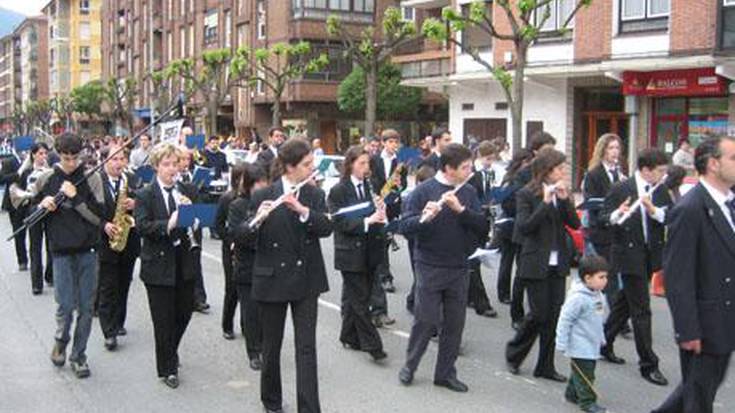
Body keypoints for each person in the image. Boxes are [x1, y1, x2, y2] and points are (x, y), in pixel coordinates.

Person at [248, 138, 332, 413]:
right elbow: (239, 234)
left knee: (306, 347)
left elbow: (326, 227)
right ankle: (271, 401)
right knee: (271, 346)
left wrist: (304, 211)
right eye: (306, 164)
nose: (311, 169)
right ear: (289, 167)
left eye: (311, 164)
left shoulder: (314, 195)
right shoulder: (263, 194)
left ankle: (309, 407)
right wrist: (256, 222)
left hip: (306, 279)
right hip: (271, 278)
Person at [652, 136, 735, 413]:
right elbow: (678, 276)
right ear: (713, 164)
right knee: (698, 399)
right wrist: (687, 329)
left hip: (725, 318)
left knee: (696, 389)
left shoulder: (728, 204)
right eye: (733, 158)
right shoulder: (690, 209)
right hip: (705, 323)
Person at [398, 143, 488, 393]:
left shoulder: (468, 192)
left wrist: (461, 211)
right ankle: (410, 365)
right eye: (466, 167)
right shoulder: (424, 190)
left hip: (459, 265)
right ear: (449, 168)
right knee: (425, 320)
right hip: (429, 264)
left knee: (454, 324)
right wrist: (425, 218)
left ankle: (445, 373)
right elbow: (404, 226)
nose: (471, 170)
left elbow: (482, 226)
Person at [506, 148, 581, 383]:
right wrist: (546, 203)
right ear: (546, 171)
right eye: (559, 169)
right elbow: (525, 227)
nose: (562, 173)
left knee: (553, 316)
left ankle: (545, 366)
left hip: (557, 264)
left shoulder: (561, 193)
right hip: (534, 261)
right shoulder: (526, 194)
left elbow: (575, 223)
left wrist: (566, 199)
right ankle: (514, 352)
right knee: (539, 314)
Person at [36, 132, 106, 379]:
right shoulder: (47, 178)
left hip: (88, 250)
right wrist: (42, 205)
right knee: (65, 305)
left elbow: (100, 217)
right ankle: (61, 339)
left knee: (86, 308)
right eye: (65, 158)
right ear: (59, 155)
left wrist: (76, 199)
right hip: (61, 251)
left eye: (74, 158)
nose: (70, 163)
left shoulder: (92, 178)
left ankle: (79, 356)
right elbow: (31, 216)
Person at [599, 148, 671, 386]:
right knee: (641, 309)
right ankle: (648, 364)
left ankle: (603, 342)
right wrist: (617, 214)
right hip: (628, 255)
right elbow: (603, 217)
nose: (663, 176)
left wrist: (654, 210)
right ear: (645, 170)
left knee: (624, 304)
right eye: (659, 171)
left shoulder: (659, 190)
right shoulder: (622, 188)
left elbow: (670, 215)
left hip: (650, 254)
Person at [134, 142, 199, 389]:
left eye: (175, 164)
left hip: (184, 262)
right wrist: (169, 224)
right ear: (156, 167)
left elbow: (202, 220)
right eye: (167, 164)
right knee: (163, 320)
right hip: (158, 265)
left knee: (184, 313)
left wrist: (194, 219)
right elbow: (142, 226)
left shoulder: (188, 190)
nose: (173, 169)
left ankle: (170, 350)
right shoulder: (144, 194)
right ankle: (168, 368)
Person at [328, 145, 388, 362]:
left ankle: (348, 336)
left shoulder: (369, 186)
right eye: (361, 163)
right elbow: (338, 221)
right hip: (349, 253)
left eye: (367, 163)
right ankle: (373, 345)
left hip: (370, 250)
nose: (366, 168)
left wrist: (380, 211)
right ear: (350, 164)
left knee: (358, 297)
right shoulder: (338, 190)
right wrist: (366, 221)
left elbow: (375, 215)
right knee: (361, 300)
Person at [509, 132, 557, 328]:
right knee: (522, 275)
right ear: (537, 151)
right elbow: (518, 199)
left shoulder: (555, 175)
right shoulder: (524, 173)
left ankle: (537, 311)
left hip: (546, 233)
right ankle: (516, 314)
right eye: (548, 151)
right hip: (526, 232)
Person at [96, 144, 141, 351]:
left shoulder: (130, 179)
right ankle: (109, 331)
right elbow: (87, 209)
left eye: (122, 159)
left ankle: (119, 322)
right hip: (106, 241)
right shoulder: (96, 182)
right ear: (104, 160)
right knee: (108, 287)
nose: (118, 163)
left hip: (127, 240)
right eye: (114, 159)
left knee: (124, 284)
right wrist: (104, 224)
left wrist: (136, 203)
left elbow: (145, 198)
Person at [227, 163, 268, 371]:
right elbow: (238, 235)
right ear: (250, 185)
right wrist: (257, 220)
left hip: (268, 266)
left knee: (265, 312)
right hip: (246, 266)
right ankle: (254, 352)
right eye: (260, 184)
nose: (264, 188)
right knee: (251, 312)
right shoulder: (238, 205)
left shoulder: (272, 202)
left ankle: (265, 345)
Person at [556, 255, 610, 413]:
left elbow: (597, 321)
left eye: (606, 276)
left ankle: (572, 393)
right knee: (587, 374)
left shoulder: (598, 294)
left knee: (579, 372)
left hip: (591, 343)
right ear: (587, 278)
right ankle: (587, 402)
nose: (605, 280)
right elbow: (565, 319)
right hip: (580, 345)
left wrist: (601, 337)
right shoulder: (578, 298)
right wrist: (561, 342)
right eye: (601, 277)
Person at [368, 129, 407, 326]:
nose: (394, 145)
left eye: (396, 142)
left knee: (387, 240)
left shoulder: (400, 164)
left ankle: (385, 275)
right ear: (383, 143)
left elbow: (404, 185)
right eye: (390, 142)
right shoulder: (373, 159)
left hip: (392, 205)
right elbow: (371, 180)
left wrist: (398, 186)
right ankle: (385, 276)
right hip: (377, 203)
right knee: (381, 242)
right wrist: (377, 196)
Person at [9, 143, 53, 294]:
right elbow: (18, 192)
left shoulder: (51, 171)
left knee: (51, 244)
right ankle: (37, 284)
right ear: (33, 154)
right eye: (40, 153)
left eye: (45, 153)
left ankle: (50, 275)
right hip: (33, 209)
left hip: (50, 210)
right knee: (35, 246)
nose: (43, 156)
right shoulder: (26, 172)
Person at [495, 149, 534, 307]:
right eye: (527, 162)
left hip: (516, 223)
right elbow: (506, 202)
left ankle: (512, 292)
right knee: (507, 260)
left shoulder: (522, 179)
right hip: (509, 223)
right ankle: (503, 293)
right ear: (522, 162)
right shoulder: (511, 179)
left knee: (517, 260)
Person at [467, 140, 498, 318]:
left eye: (492, 159)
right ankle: (481, 302)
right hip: (473, 219)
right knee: (474, 262)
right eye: (487, 158)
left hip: (483, 220)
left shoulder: (489, 173)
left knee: (474, 260)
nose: (490, 162)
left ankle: (469, 296)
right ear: (479, 156)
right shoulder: (472, 174)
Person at [215, 164, 246, 340]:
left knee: (247, 290)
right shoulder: (227, 198)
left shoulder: (252, 198)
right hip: (231, 249)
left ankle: (246, 325)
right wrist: (230, 241)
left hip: (246, 248)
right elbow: (218, 224)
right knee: (232, 288)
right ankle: (227, 325)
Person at [177, 150, 208, 313]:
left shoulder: (194, 177)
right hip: (179, 225)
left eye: (187, 159)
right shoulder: (174, 181)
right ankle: (186, 297)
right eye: (181, 159)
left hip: (194, 225)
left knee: (196, 263)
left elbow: (202, 206)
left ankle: (199, 298)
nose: (184, 162)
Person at [1, 151, 28, 272]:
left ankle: (36, 260)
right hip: (14, 202)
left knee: (35, 234)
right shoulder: (9, 161)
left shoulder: (36, 160)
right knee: (18, 232)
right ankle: (22, 260)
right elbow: (2, 179)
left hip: (30, 200)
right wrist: (18, 174)